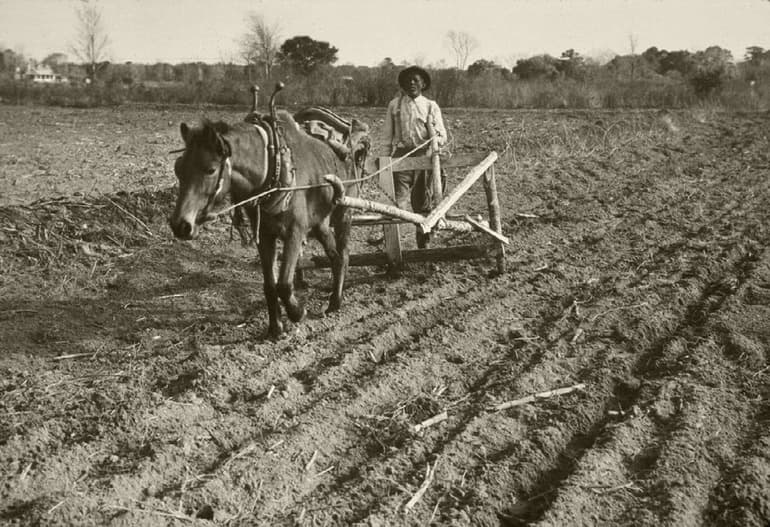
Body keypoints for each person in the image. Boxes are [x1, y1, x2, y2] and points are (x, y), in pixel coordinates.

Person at [382, 65, 448, 248]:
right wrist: (384, 161)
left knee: (422, 203)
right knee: (396, 204)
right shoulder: (394, 105)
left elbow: (442, 135)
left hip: (424, 157)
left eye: (415, 80)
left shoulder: (430, 106)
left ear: (423, 84)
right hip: (401, 157)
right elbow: (387, 136)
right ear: (402, 84)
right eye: (407, 80)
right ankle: (392, 251)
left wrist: (433, 144)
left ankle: (423, 241)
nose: (411, 83)